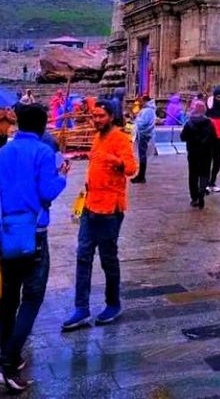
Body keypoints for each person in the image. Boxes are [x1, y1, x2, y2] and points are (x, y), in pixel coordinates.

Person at [0, 104, 69, 392]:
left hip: (5, 234)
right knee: (32, 298)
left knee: (9, 299)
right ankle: (6, 362)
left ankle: (10, 356)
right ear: (43, 126)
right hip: (34, 235)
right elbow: (48, 191)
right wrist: (62, 175)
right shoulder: (44, 153)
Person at [62, 100, 137, 330]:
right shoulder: (96, 138)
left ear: (111, 117)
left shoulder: (120, 138)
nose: (96, 120)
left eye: (101, 116)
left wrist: (117, 161)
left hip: (110, 210)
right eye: (94, 116)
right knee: (83, 256)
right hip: (90, 206)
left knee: (108, 259)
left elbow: (132, 169)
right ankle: (81, 309)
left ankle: (113, 303)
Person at [180, 100, 215, 208]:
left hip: (193, 153)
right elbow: (214, 138)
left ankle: (194, 198)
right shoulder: (209, 123)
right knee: (204, 173)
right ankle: (202, 191)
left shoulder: (189, 123)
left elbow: (183, 137)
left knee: (193, 175)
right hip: (206, 153)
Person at [131, 94, 156, 184]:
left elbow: (144, 123)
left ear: (145, 101)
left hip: (144, 135)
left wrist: (136, 120)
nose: (140, 102)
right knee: (141, 155)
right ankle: (140, 175)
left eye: (142, 100)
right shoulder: (146, 110)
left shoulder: (148, 111)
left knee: (142, 156)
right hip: (141, 134)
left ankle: (141, 176)